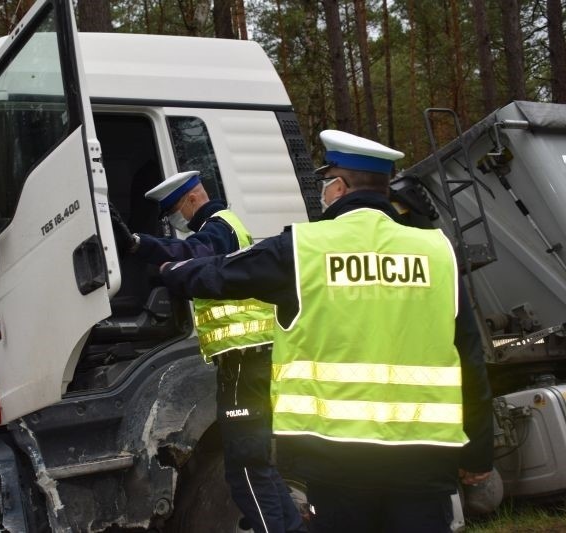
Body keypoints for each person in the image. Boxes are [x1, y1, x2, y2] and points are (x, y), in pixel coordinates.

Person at [159, 132, 494, 533]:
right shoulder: (436, 251)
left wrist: (167, 270)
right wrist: (478, 452)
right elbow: (470, 358)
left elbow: (218, 274)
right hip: (422, 458)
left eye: (325, 181)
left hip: (338, 461)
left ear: (338, 187)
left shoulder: (303, 248)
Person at [111, 170, 305, 533]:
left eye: (175, 213)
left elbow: (191, 253)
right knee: (258, 466)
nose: (176, 223)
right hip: (251, 361)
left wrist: (142, 245)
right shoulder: (226, 227)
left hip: (244, 363)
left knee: (245, 469)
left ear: (193, 200)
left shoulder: (220, 229)